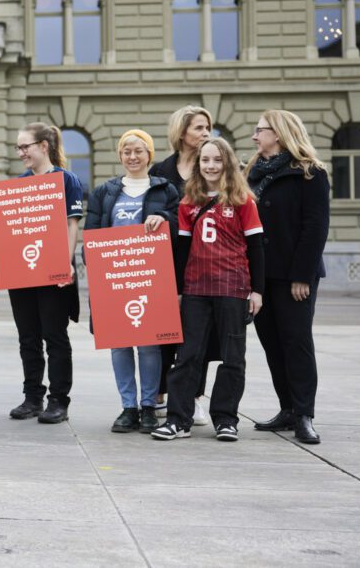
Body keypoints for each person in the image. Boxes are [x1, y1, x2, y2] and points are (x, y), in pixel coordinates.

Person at [152, 137, 264, 442]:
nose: (211, 166)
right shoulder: (190, 200)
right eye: (205, 160)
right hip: (196, 289)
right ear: (198, 164)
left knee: (232, 357)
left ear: (226, 163)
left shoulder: (243, 200)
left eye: (217, 160)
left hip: (232, 287)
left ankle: (226, 419)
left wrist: (257, 291)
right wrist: (177, 290)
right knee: (188, 355)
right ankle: (178, 420)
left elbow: (256, 248)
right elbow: (183, 249)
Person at [84, 130, 179, 434]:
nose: (133, 156)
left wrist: (164, 217)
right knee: (119, 345)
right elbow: (92, 234)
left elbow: (179, 226)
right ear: (120, 155)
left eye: (139, 151)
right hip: (114, 278)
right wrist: (97, 269)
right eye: (127, 151)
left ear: (149, 155)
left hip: (150, 278)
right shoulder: (105, 191)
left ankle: (149, 406)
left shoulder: (166, 190)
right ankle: (128, 407)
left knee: (149, 346)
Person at [246, 110, 329, 445]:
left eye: (259, 130)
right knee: (272, 344)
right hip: (261, 276)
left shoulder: (310, 173)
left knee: (296, 343)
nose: (254, 136)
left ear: (277, 134)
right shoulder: (250, 172)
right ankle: (287, 409)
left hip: (294, 275)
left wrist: (301, 276)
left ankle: (304, 414)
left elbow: (315, 228)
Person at [6, 123, 83, 425]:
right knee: (28, 338)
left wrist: (65, 265)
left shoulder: (66, 180)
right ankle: (32, 397)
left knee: (55, 337)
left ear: (44, 146)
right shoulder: (19, 184)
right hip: (23, 272)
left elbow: (71, 225)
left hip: (54, 273)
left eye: (25, 146)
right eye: (18, 147)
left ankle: (59, 400)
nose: (21, 152)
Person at [149, 105, 214, 427]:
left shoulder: (213, 166)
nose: (206, 134)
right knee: (165, 330)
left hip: (205, 261)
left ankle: (196, 397)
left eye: (207, 128)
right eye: (199, 128)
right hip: (168, 260)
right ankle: (161, 394)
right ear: (182, 132)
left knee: (198, 334)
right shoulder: (162, 170)